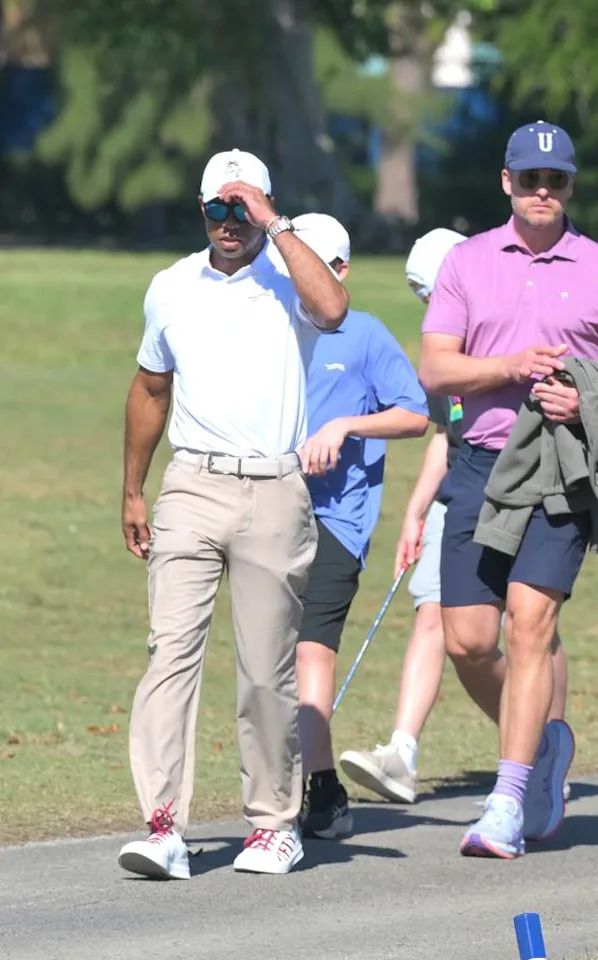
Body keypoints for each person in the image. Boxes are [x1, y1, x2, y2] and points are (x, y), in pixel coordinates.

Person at [418, 121, 598, 859]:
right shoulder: (467, 262)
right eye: (530, 180)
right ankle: (545, 742)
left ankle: (507, 798)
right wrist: (513, 367)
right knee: (467, 639)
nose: (543, 192)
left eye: (555, 181)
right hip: (479, 466)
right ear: (507, 183)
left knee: (530, 627)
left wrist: (585, 401)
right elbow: (436, 368)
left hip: (563, 471)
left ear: (570, 186)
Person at [119, 149, 349, 879]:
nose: (229, 222)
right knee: (169, 655)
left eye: (242, 209)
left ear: (264, 211)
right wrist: (132, 487)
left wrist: (275, 223)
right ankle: (162, 825)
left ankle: (273, 823)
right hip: (190, 483)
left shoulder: (290, 276)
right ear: (201, 209)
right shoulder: (170, 287)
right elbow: (151, 388)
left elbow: (335, 308)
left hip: (273, 489)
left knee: (263, 670)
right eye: (219, 207)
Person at [338, 229, 570, 806]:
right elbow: (448, 433)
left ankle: (545, 748)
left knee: (532, 629)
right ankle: (404, 751)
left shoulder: (521, 320)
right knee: (438, 614)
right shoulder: (445, 345)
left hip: (529, 482)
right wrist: (417, 510)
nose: (434, 310)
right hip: (462, 487)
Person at [274, 214, 430, 839]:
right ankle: (278, 782)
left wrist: (346, 427)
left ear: (339, 272)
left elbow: (415, 414)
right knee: (271, 650)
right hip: (270, 509)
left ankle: (321, 787)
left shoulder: (364, 335)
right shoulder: (276, 329)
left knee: (311, 644)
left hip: (338, 519)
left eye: (314, 268)